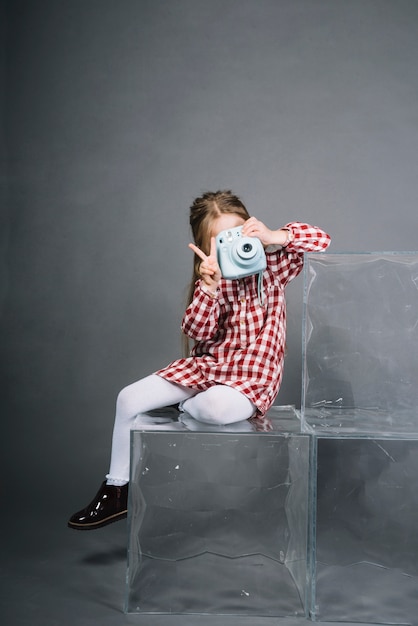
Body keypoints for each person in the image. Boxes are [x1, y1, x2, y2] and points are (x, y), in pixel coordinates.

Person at [68, 190, 331, 530]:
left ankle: (179, 408)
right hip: (207, 369)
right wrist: (208, 289)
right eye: (223, 241)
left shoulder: (273, 269)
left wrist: (274, 236)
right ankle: (116, 491)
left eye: (239, 235)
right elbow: (198, 331)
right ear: (207, 248)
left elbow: (322, 241)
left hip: (251, 380)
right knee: (128, 398)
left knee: (215, 410)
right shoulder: (212, 280)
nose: (235, 246)